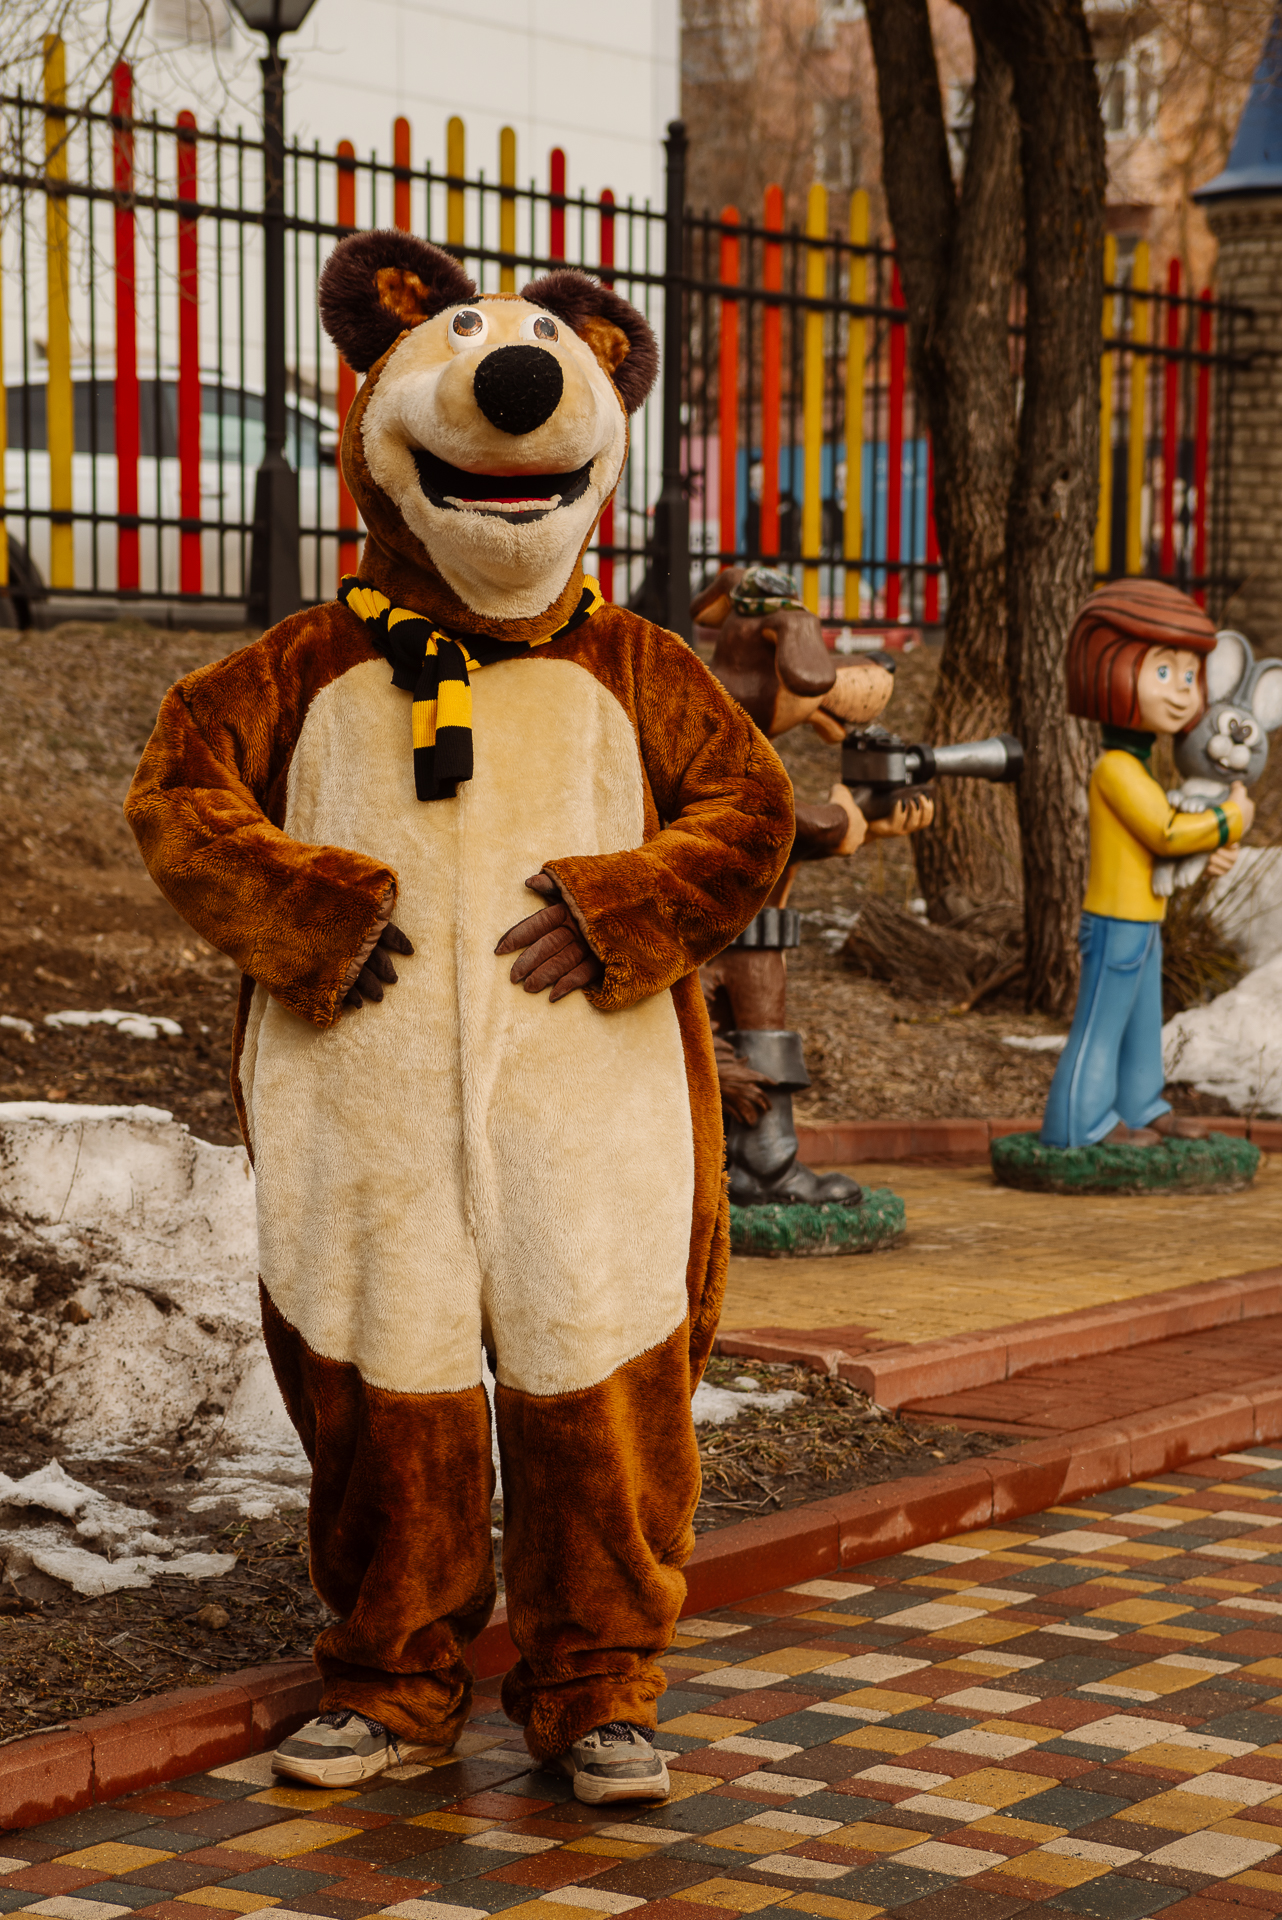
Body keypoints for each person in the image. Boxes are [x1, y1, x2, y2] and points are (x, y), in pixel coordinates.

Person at [125, 233, 794, 1804]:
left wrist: (621, 908)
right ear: (379, 418)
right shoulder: (304, 666)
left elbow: (749, 813)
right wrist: (311, 911)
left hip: (593, 1111)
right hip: (363, 1106)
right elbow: (177, 794)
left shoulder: (639, 667)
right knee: (385, 1395)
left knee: (598, 1391)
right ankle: (390, 1677)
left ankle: (599, 1687)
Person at [1040, 579, 1253, 1150]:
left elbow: (1164, 841)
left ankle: (1140, 1104)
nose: (1182, 692)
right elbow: (1165, 831)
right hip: (1115, 919)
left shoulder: (1138, 768)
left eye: (1189, 675)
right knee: (1101, 1023)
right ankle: (1076, 1124)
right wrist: (1230, 819)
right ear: (1109, 670)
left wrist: (1205, 852)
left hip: (1141, 915)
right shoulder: (1116, 770)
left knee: (1140, 1021)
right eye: (1163, 671)